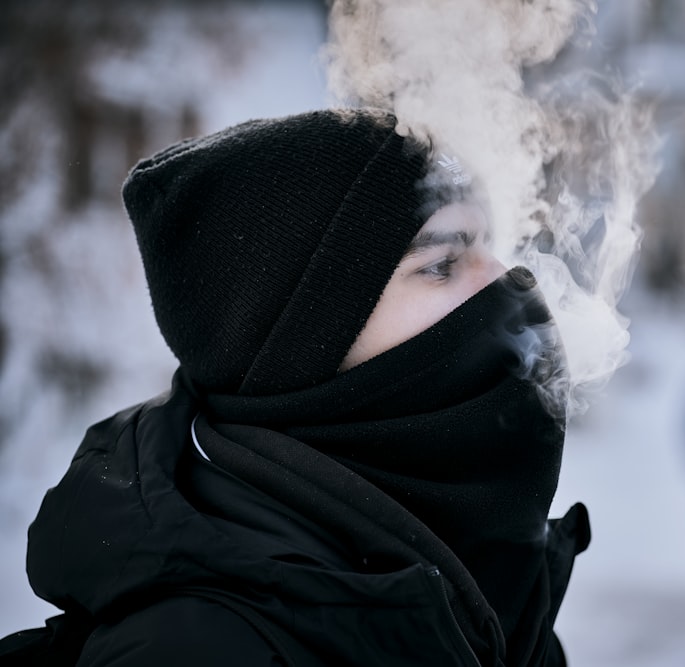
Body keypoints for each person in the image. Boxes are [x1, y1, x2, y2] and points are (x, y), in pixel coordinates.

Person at [0, 108, 590, 666]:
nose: (510, 282)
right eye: (441, 264)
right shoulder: (198, 649)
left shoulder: (486, 585)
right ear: (307, 342)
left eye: (489, 246)